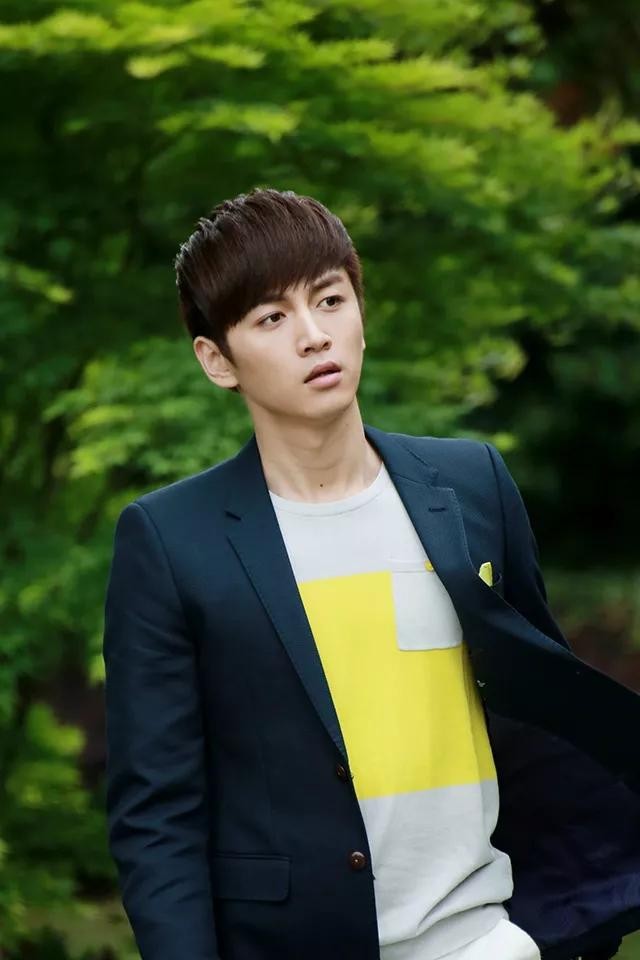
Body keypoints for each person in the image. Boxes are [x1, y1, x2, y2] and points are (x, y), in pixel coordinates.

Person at [102, 187, 640, 960]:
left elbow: (545, 709)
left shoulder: (472, 485)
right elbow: (157, 818)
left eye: (330, 299)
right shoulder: (171, 540)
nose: (314, 335)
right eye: (272, 318)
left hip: (486, 938)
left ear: (361, 312)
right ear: (217, 360)